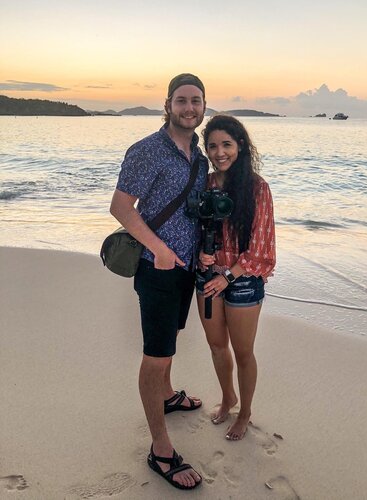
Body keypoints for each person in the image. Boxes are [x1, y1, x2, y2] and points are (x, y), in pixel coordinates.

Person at [110, 73, 208, 490]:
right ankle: (160, 449)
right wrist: (160, 249)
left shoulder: (200, 156)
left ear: (204, 106)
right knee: (155, 352)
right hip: (157, 268)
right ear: (168, 104)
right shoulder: (147, 150)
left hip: (186, 269)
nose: (190, 108)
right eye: (182, 100)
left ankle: (167, 396)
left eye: (196, 101)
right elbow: (120, 208)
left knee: (170, 339)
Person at [196, 114, 276, 441]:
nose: (219, 152)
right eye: (212, 146)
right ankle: (228, 397)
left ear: (239, 146)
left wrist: (228, 275)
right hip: (208, 276)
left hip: (243, 279)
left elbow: (261, 246)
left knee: (243, 352)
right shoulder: (207, 185)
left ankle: (245, 412)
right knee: (217, 346)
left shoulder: (258, 188)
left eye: (226, 144)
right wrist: (201, 253)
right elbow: (197, 229)